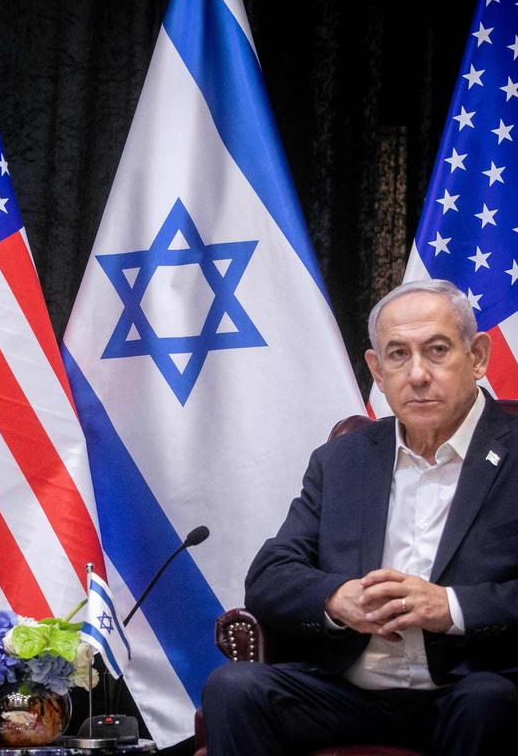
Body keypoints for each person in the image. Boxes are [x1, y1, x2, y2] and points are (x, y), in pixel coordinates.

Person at [203, 278, 518, 756]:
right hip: (348, 691)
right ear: (377, 368)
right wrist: (336, 600)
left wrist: (450, 608)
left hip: (470, 689)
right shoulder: (343, 460)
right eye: (397, 355)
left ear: (476, 356)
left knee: (490, 701)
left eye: (436, 350)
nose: (417, 374)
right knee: (235, 688)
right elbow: (269, 576)